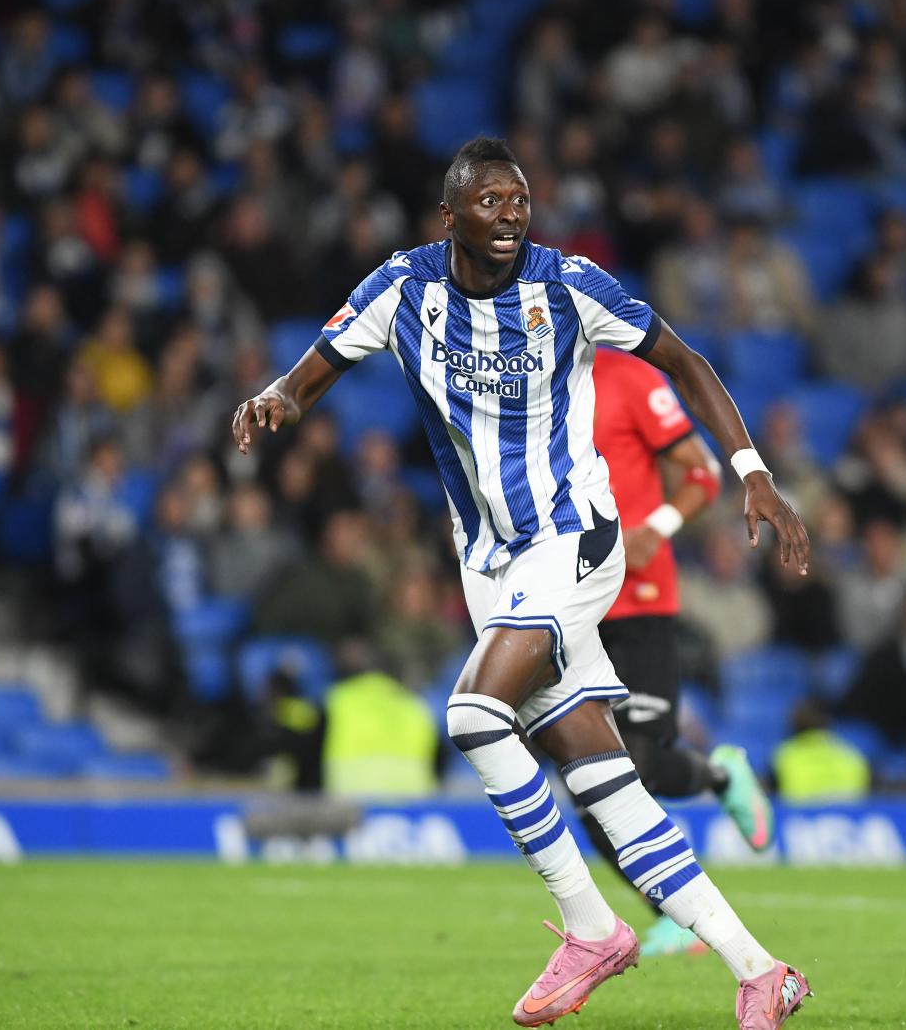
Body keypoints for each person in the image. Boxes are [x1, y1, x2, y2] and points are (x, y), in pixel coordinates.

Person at [233, 138, 812, 1029]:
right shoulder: (403, 287)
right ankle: (761, 971)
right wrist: (276, 396)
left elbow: (686, 362)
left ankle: (591, 928)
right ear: (450, 215)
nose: (510, 216)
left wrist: (753, 472)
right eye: (491, 201)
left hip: (572, 537)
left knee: (472, 715)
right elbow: (315, 369)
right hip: (487, 562)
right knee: (606, 779)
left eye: (520, 201)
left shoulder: (570, 285)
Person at [581, 345, 775, 959]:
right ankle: (672, 917)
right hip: (569, 607)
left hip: (638, 601)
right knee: (588, 787)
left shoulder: (629, 376)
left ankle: (721, 774)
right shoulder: (527, 381)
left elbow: (701, 472)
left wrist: (654, 530)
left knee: (639, 765)